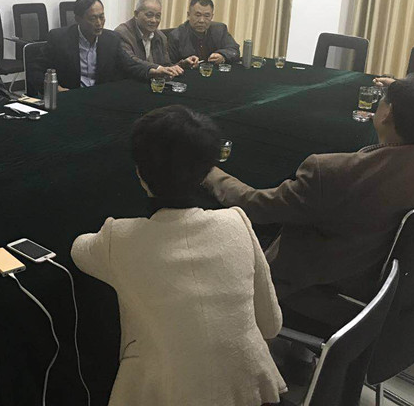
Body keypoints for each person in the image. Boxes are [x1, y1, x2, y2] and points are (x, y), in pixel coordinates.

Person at [203, 72, 414, 335]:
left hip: (331, 289)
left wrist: (208, 172)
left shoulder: (333, 171)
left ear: (387, 113)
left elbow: (256, 206)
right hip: (411, 290)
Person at [71, 105, 286, 406]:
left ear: (139, 173)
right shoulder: (236, 222)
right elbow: (271, 324)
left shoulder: (117, 239)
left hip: (163, 393)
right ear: (207, 171)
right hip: (248, 392)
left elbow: (79, 249)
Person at [33, 0, 123, 93]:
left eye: (101, 17)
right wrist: (56, 88)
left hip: (100, 95)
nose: (99, 23)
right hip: (71, 95)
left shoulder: (112, 39)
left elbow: (128, 66)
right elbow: (36, 70)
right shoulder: (58, 39)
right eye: (93, 18)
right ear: (78, 19)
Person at [114, 0, 197, 80]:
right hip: (129, 81)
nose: (154, 20)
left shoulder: (161, 37)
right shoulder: (122, 33)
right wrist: (158, 68)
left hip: (153, 83)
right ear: (136, 14)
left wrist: (182, 65)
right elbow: (131, 61)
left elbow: (166, 66)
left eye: (158, 16)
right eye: (149, 15)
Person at [168, 0, 240, 65]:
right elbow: (169, 66)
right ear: (188, 15)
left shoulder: (220, 30)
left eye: (206, 16)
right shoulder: (176, 36)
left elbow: (234, 50)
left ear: (212, 16)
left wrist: (222, 56)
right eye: (198, 15)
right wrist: (183, 63)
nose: (202, 20)